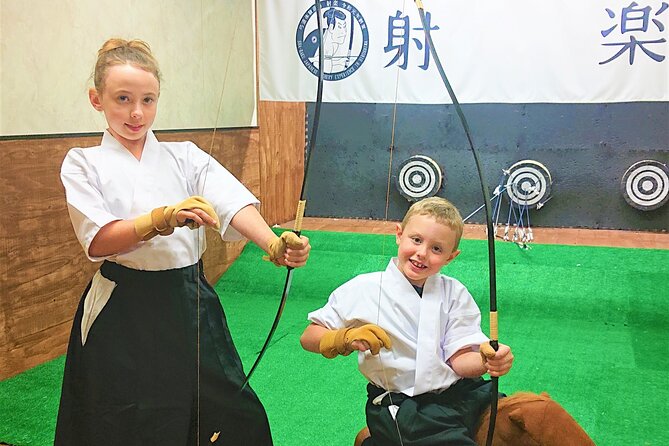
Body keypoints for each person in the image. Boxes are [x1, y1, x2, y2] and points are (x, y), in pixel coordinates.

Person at [55, 38, 310, 446]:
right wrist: (160, 219)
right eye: (122, 98)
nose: (137, 113)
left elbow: (231, 201)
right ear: (96, 99)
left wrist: (274, 244)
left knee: (232, 407)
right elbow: (99, 239)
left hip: (188, 297)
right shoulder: (83, 162)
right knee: (122, 413)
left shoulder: (184, 155)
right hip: (123, 305)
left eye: (148, 100)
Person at [300, 197, 513, 446]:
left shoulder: (454, 293)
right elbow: (309, 336)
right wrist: (342, 338)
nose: (422, 253)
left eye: (437, 249)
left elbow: (459, 360)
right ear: (399, 235)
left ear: (451, 257)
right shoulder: (363, 288)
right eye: (416, 240)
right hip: (404, 406)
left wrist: (486, 360)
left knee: (522, 420)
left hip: (462, 392)